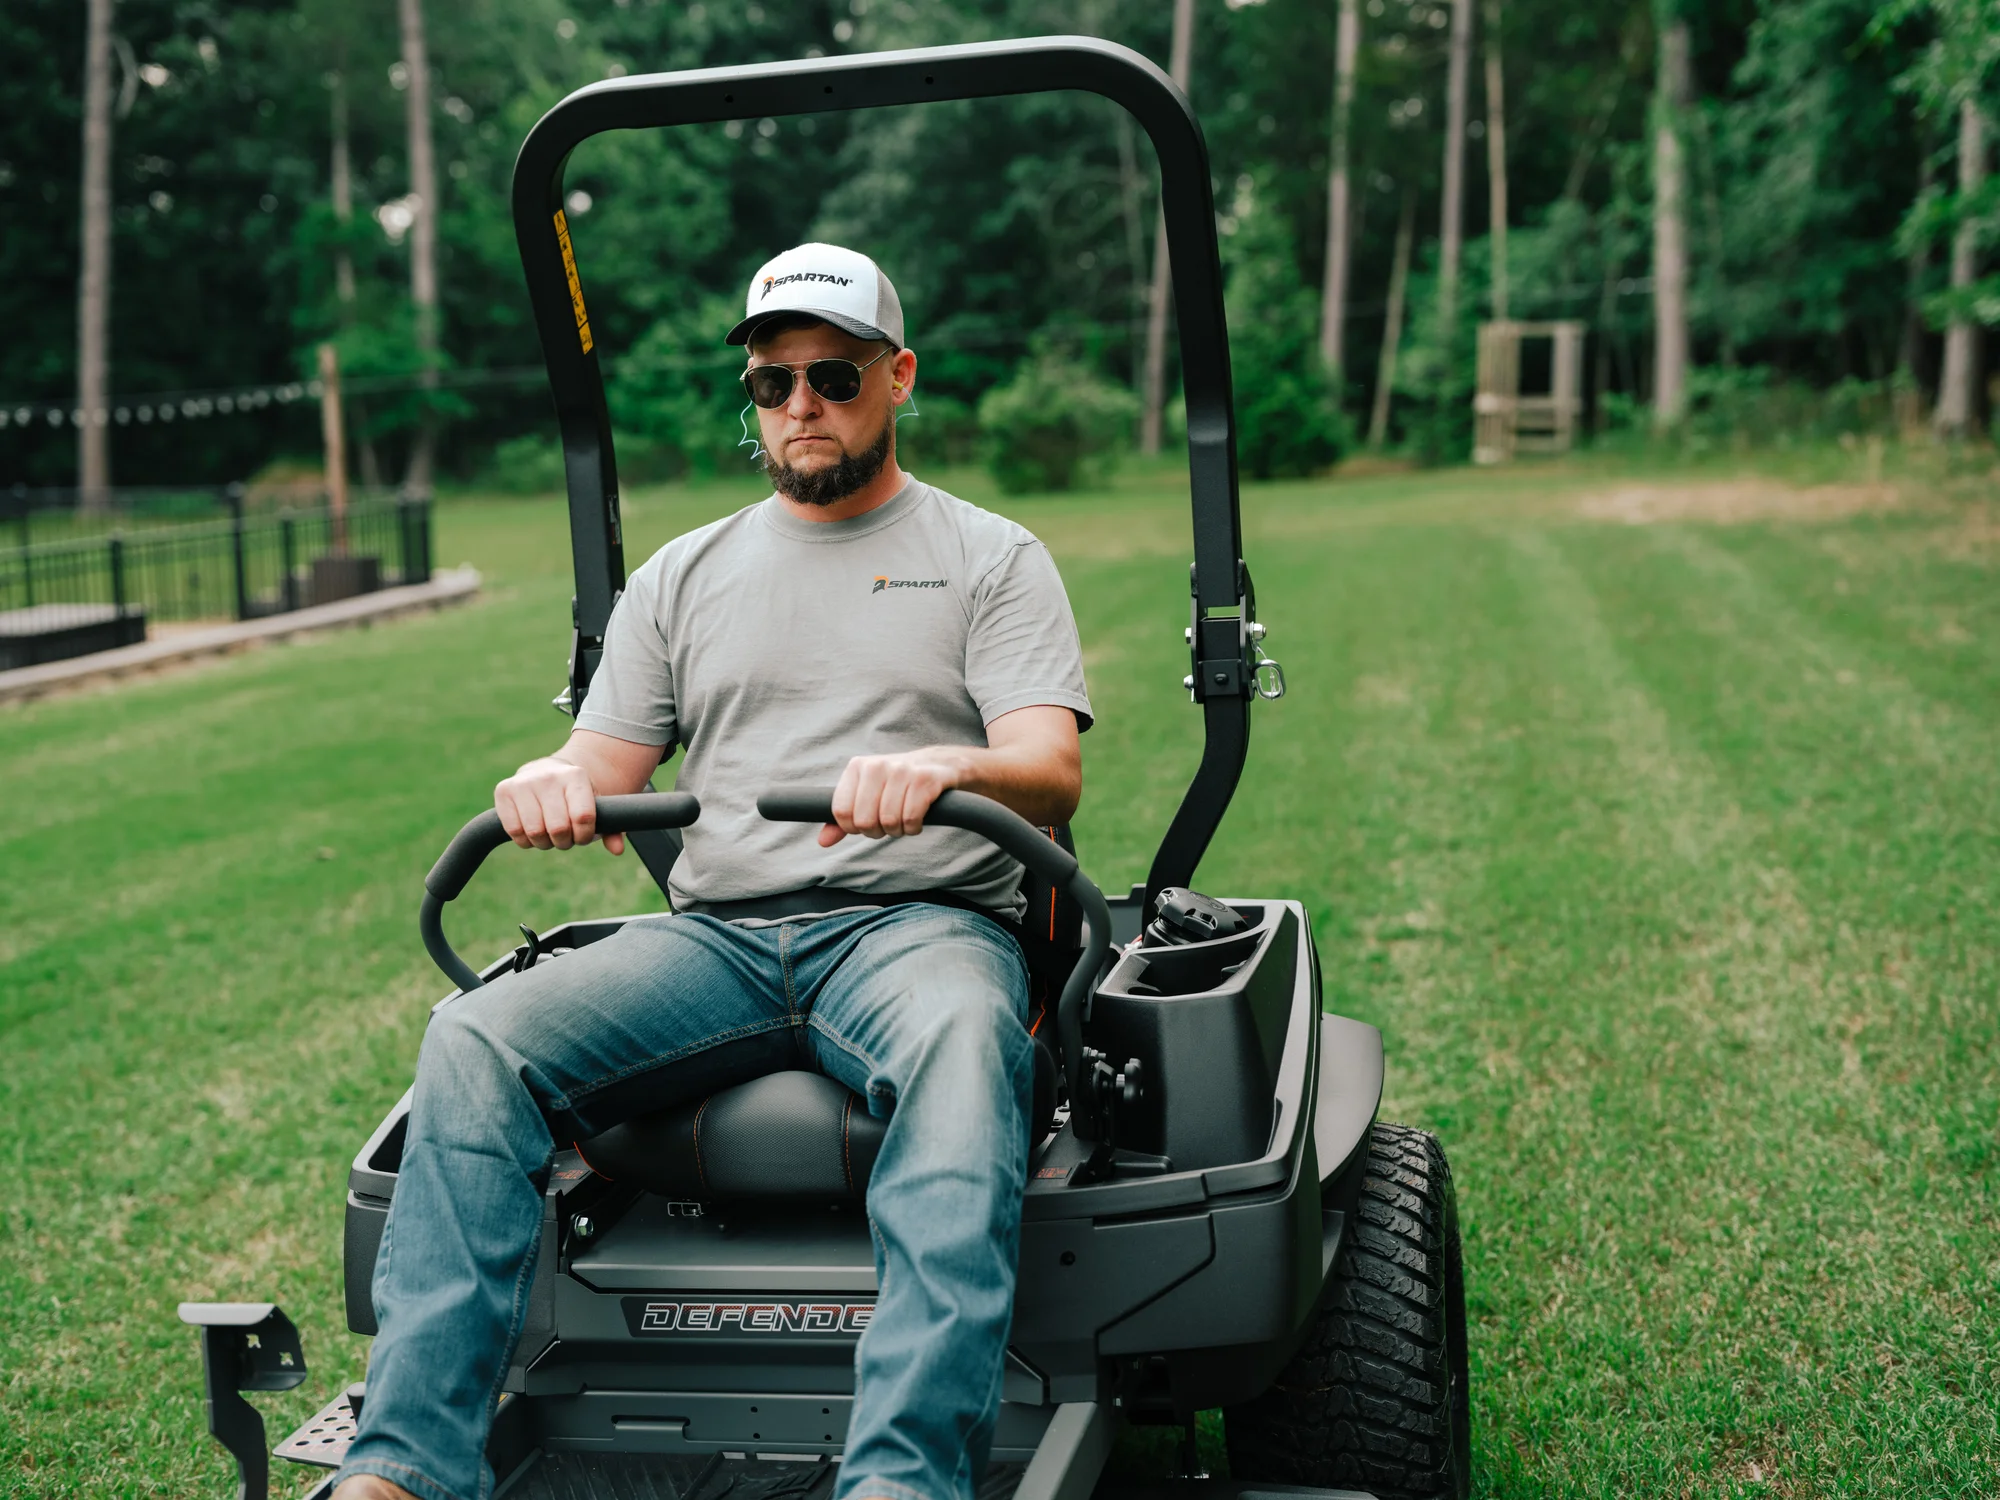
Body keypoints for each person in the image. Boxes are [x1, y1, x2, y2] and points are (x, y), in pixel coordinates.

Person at [333, 242, 1093, 1500]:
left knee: (964, 1050)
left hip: (917, 926)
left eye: (833, 377)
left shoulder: (988, 555)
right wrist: (549, 782)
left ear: (897, 377)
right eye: (772, 382)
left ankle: (902, 1479)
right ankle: (405, 1467)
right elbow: (599, 760)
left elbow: (1046, 767)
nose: (800, 405)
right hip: (721, 940)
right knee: (472, 1039)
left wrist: (942, 769)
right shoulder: (683, 574)